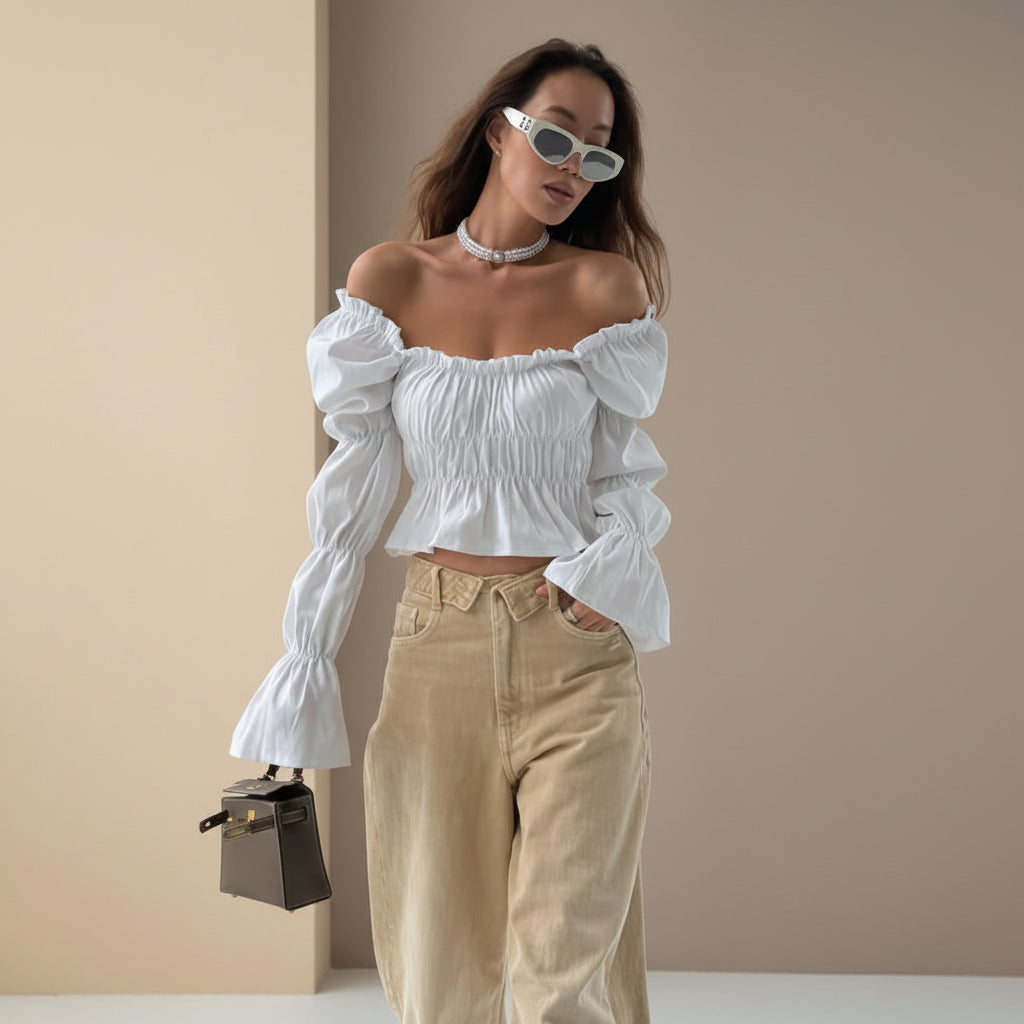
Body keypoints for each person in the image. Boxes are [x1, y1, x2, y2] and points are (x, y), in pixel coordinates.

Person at [230, 37, 671, 1024]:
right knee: (439, 971)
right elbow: (353, 492)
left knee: (566, 970)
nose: (573, 165)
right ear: (497, 131)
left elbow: (623, 473)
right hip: (438, 647)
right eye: (555, 135)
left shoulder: (605, 290)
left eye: (597, 151)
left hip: (577, 651)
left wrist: (608, 573)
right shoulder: (391, 281)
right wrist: (304, 659)